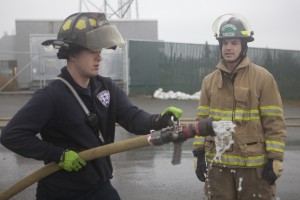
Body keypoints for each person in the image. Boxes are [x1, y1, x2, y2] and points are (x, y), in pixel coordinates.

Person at [0, 12, 183, 200]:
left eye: (100, 51)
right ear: (72, 53)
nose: (99, 57)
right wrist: (59, 155)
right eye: (92, 51)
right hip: (61, 192)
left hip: (99, 186)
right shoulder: (52, 95)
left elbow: (132, 116)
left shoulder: (106, 88)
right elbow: (12, 135)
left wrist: (158, 120)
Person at [192, 13, 287, 200]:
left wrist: (275, 157)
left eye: (234, 42)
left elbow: (274, 121)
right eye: (225, 43)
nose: (228, 48)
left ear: (244, 45)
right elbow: (201, 120)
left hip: (253, 168)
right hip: (218, 167)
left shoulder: (263, 78)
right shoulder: (209, 81)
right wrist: (198, 152)